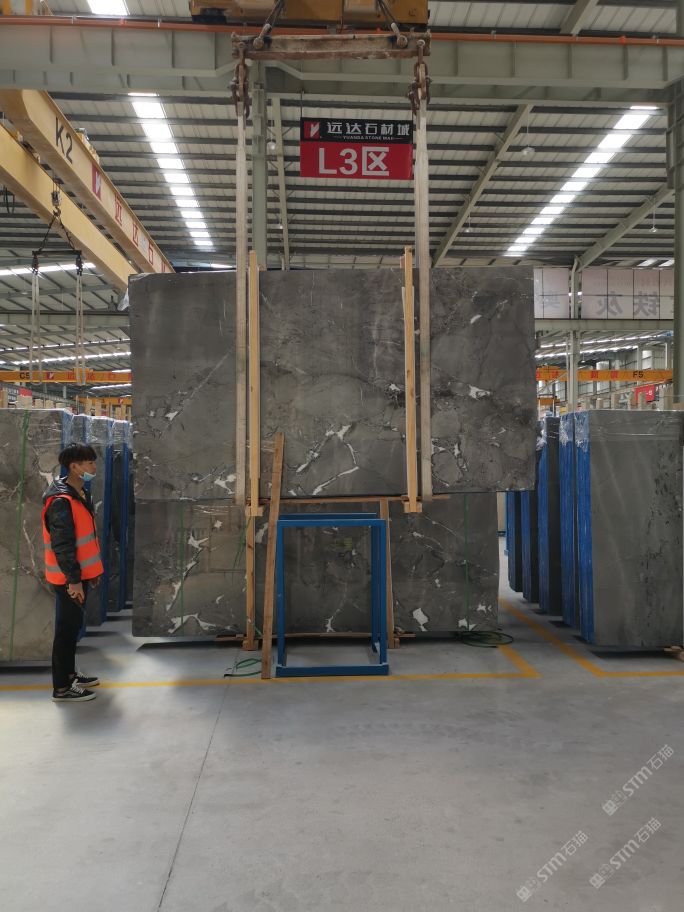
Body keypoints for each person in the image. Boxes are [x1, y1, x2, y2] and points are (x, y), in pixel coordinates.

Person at [42, 444, 104, 702]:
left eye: (93, 461)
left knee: (73, 626)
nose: (94, 467)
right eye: (89, 462)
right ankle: (62, 687)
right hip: (68, 578)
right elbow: (63, 545)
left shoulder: (79, 493)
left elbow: (84, 538)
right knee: (66, 631)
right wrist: (74, 580)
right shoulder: (61, 501)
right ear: (74, 467)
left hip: (79, 575)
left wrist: (90, 573)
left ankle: (69, 674)